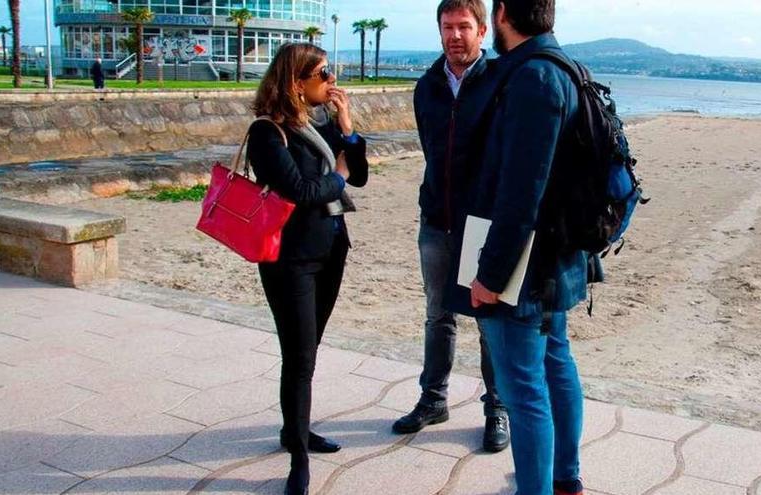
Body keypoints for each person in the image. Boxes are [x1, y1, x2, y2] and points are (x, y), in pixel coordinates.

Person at [445, 0, 588, 494]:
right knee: (556, 365)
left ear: (501, 13)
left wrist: (489, 276)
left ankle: (547, 486)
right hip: (560, 255)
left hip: (526, 265)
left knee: (524, 391)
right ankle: (565, 479)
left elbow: (521, 193)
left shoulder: (533, 79)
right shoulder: (567, 68)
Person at [247, 43, 368, 495]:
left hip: (331, 250)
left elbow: (358, 177)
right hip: (290, 260)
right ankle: (298, 458)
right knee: (298, 359)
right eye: (322, 72)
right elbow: (299, 190)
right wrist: (334, 175)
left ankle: (293, 430)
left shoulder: (319, 123)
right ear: (295, 82)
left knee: (308, 351)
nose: (330, 79)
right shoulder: (268, 132)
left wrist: (349, 131)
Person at [391, 0, 509, 453]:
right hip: (436, 218)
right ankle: (433, 399)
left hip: (482, 222)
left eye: (464, 26)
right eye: (447, 27)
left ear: (483, 31)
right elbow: (430, 149)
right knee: (438, 313)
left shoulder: (499, 81)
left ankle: (497, 408)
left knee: (487, 317)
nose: (455, 35)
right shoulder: (427, 87)